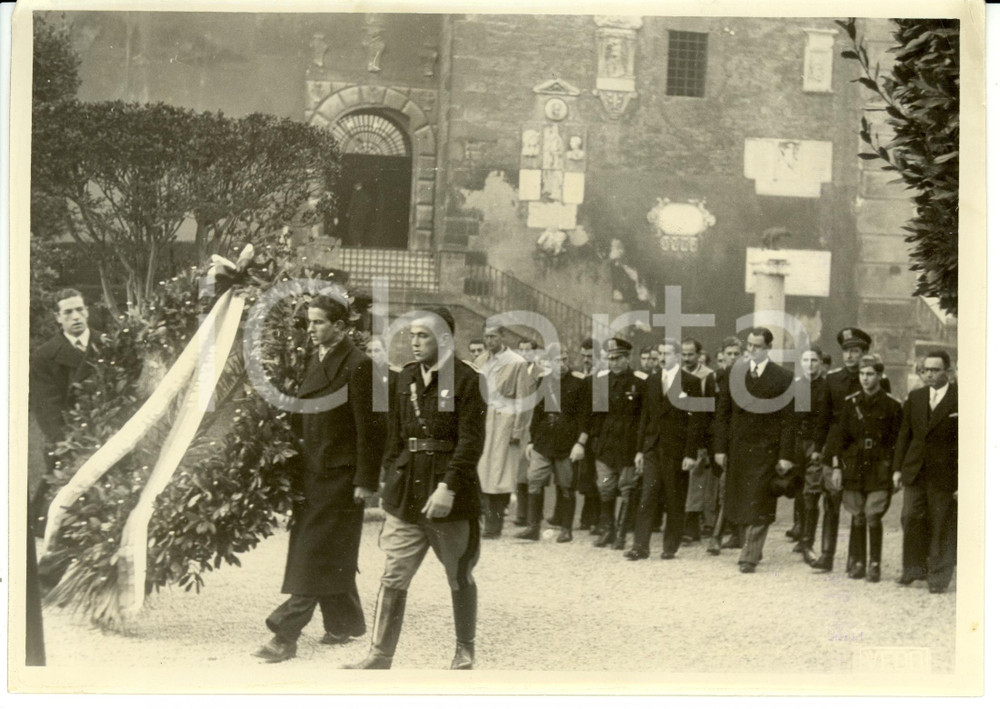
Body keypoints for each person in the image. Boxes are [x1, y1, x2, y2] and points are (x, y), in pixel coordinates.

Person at [345, 306, 487, 669]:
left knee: (458, 572)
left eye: (423, 336)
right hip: (407, 491)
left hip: (449, 495)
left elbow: (471, 443)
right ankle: (380, 654)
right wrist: (390, 477)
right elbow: (394, 434)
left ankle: (464, 650)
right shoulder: (406, 377)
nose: (414, 342)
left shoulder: (469, 380)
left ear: (443, 338)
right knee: (394, 573)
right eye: (412, 336)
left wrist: (449, 488)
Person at [254, 295, 388, 663]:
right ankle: (345, 623)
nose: (310, 329)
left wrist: (365, 480)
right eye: (310, 323)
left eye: (318, 323)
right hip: (312, 470)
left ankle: (286, 634)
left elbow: (372, 429)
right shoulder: (317, 358)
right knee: (330, 548)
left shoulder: (360, 366)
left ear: (341, 327)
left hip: (341, 476)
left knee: (315, 550)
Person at [28, 288, 104, 665]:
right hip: (69, 448)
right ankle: (43, 579)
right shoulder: (44, 356)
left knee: (106, 512)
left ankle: (97, 585)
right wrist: (67, 448)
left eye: (80, 309)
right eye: (68, 312)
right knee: (68, 512)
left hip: (107, 442)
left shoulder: (106, 346)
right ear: (57, 318)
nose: (76, 316)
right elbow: (47, 407)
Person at [713, 328, 796, 573]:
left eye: (757, 346)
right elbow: (722, 415)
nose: (751, 350)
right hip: (738, 448)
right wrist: (719, 448)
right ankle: (751, 547)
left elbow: (789, 421)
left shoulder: (783, 377)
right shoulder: (733, 373)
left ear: (768, 348)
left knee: (760, 501)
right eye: (749, 345)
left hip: (766, 450)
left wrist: (785, 455)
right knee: (740, 501)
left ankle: (749, 556)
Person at [811, 327, 885, 572]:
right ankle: (826, 555)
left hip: (861, 452)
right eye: (846, 352)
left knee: (857, 505)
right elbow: (822, 417)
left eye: (855, 351)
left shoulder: (876, 378)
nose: (850, 357)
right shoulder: (832, 379)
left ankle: (856, 559)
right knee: (830, 502)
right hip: (835, 448)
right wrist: (818, 448)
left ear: (865, 352)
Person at [826, 355, 902, 582]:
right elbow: (840, 439)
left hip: (880, 467)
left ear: (879, 376)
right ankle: (858, 561)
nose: (865, 378)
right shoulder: (850, 404)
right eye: (862, 374)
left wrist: (896, 471)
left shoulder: (892, 405)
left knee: (873, 515)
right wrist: (837, 467)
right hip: (854, 466)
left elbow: (898, 442)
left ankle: (875, 564)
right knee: (857, 515)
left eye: (870, 374)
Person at [627, 339, 704, 560]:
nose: (661, 357)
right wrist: (640, 450)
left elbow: (696, 420)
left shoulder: (690, 382)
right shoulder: (651, 380)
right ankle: (640, 546)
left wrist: (690, 453)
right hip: (653, 447)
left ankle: (670, 545)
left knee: (674, 496)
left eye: (667, 353)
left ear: (677, 356)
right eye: (659, 353)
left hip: (676, 450)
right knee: (648, 494)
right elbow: (645, 417)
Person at [892, 351, 958, 594]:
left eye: (935, 370)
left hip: (945, 474)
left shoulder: (960, 399)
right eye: (926, 370)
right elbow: (904, 436)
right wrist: (897, 469)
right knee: (910, 516)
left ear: (948, 372)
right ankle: (913, 569)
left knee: (941, 523)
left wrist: (963, 480)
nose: (929, 374)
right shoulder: (916, 397)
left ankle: (939, 577)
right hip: (915, 470)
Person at [517, 343, 590, 543]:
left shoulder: (579, 383)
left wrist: (580, 443)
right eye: (557, 360)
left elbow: (585, 417)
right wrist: (531, 441)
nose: (562, 364)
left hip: (567, 442)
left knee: (566, 484)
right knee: (534, 481)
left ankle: (566, 529)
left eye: (565, 359)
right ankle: (533, 527)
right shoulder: (543, 382)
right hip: (543, 440)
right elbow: (538, 414)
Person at [475, 325, 532, 539]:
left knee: (499, 475)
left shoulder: (517, 362)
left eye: (493, 336)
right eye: (486, 336)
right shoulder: (480, 361)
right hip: (483, 421)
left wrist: (517, 430)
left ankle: (493, 525)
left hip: (504, 423)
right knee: (481, 472)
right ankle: (480, 520)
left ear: (503, 337)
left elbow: (523, 400)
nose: (489, 341)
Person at [589, 338, 647, 549]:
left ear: (627, 358)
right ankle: (607, 530)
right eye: (610, 359)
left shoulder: (640, 382)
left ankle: (622, 533)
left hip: (628, 444)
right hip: (606, 444)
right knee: (605, 487)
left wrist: (640, 447)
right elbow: (595, 415)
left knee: (627, 488)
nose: (613, 363)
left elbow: (643, 418)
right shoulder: (602, 382)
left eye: (617, 358)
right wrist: (596, 441)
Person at [794, 347, 831, 565]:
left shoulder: (827, 387)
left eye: (814, 360)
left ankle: (808, 542)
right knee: (799, 488)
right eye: (806, 360)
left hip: (817, 444)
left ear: (820, 363)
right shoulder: (795, 387)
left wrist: (819, 446)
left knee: (811, 492)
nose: (810, 364)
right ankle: (800, 535)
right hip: (797, 444)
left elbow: (826, 421)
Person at [680, 337, 714, 543]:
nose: (686, 358)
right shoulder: (675, 374)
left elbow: (708, 411)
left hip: (699, 434)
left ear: (699, 354)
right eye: (683, 354)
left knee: (696, 481)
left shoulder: (707, 376)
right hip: (678, 433)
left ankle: (692, 526)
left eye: (690, 354)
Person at [575, 337, 601, 533]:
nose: (586, 359)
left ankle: (594, 517)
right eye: (583, 355)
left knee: (595, 474)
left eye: (590, 356)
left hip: (596, 431)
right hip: (580, 429)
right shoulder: (578, 374)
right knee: (583, 474)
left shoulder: (602, 376)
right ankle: (587, 514)